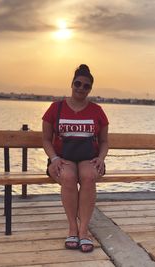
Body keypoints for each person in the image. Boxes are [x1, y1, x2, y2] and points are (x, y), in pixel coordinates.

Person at [42, 64, 109, 252]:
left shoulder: (97, 111)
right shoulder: (56, 108)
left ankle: (84, 230)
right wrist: (54, 159)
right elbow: (46, 139)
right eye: (77, 83)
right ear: (72, 84)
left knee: (88, 176)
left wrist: (101, 158)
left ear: (90, 89)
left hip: (90, 158)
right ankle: (72, 227)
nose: (81, 88)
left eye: (86, 86)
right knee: (68, 177)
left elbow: (104, 141)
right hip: (62, 158)